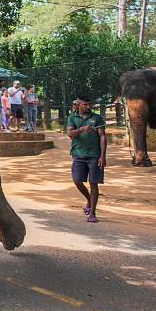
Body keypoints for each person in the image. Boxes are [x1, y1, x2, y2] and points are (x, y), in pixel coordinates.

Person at [66, 94, 107, 223]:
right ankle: (89, 199)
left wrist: (102, 156)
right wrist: (82, 129)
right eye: (85, 104)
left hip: (94, 155)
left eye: (90, 104)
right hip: (78, 153)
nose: (88, 107)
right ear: (78, 105)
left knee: (93, 183)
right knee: (77, 180)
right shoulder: (72, 118)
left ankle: (92, 212)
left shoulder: (97, 118)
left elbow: (102, 137)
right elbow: (70, 134)